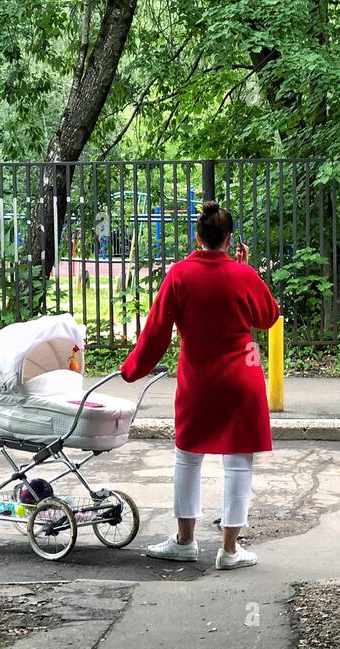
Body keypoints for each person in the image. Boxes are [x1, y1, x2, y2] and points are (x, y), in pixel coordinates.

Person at [120, 202, 280, 569]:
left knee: (188, 458)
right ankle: (229, 550)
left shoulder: (179, 275)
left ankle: (185, 541)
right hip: (242, 379)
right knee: (239, 462)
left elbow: (156, 333)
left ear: (198, 236)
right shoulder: (243, 276)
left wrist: (132, 370)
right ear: (229, 238)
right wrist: (245, 270)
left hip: (199, 382)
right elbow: (268, 316)